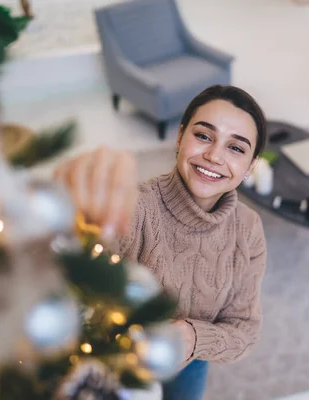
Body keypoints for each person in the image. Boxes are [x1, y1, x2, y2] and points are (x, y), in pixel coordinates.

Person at [55, 85, 268, 400]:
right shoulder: (134, 208)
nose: (213, 156)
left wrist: (195, 338)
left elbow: (244, 330)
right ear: (180, 137)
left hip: (191, 362)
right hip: (118, 359)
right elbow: (76, 289)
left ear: (250, 166)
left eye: (236, 148)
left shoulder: (248, 229)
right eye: (204, 136)